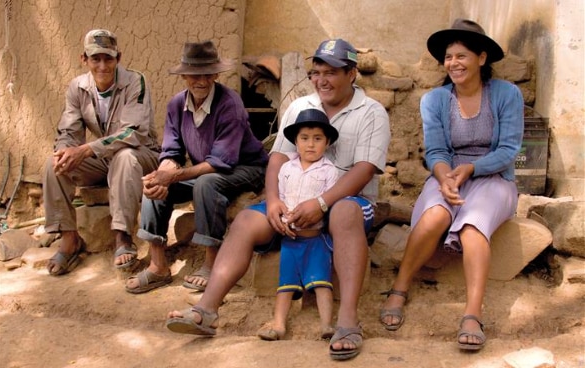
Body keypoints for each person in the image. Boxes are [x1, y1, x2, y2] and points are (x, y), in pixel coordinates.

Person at [166, 38, 391, 361]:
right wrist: (273, 201)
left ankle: (348, 321)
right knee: (246, 219)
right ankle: (206, 310)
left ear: (352, 73)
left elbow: (364, 170)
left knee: (343, 213)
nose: (322, 80)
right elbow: (277, 160)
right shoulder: (300, 107)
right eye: (316, 72)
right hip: (293, 202)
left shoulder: (371, 112)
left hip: (348, 202)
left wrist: (322, 203)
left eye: (332, 72)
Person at [379, 19, 524, 351]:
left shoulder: (506, 94)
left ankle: (473, 312)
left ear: (481, 59)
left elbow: (508, 150)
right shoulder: (434, 100)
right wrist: (444, 176)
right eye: (448, 57)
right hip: (449, 174)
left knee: (473, 225)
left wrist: (471, 168)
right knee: (434, 217)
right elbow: (436, 150)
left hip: (493, 177)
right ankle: (399, 287)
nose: (454, 63)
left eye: (462, 56)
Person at [125, 40, 268, 294]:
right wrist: (164, 173)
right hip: (212, 168)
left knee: (206, 182)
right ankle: (158, 266)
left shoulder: (230, 104)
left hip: (247, 168)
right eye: (193, 74)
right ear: (184, 76)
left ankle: (212, 264)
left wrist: (175, 175)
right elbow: (171, 151)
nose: (200, 81)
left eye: (206, 74)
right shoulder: (176, 106)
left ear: (215, 74)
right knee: (155, 184)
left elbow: (220, 162)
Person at [44, 29, 159, 276]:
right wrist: (65, 150)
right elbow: (69, 130)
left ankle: (122, 237)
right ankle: (69, 238)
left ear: (118, 58)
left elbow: (134, 133)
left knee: (125, 156)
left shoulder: (135, 81)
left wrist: (86, 149)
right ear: (84, 59)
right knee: (53, 163)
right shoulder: (77, 87)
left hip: (142, 156)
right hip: (105, 158)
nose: (103, 66)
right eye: (96, 59)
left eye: (108, 58)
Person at [256, 108, 339, 342]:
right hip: (291, 240)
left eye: (317, 139)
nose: (310, 144)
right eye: (304, 138)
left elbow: (328, 203)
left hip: (316, 239)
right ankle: (279, 325)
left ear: (328, 142)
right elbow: (279, 197)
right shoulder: (286, 169)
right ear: (295, 141)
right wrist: (283, 220)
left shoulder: (329, 171)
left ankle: (326, 325)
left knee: (322, 283)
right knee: (285, 285)